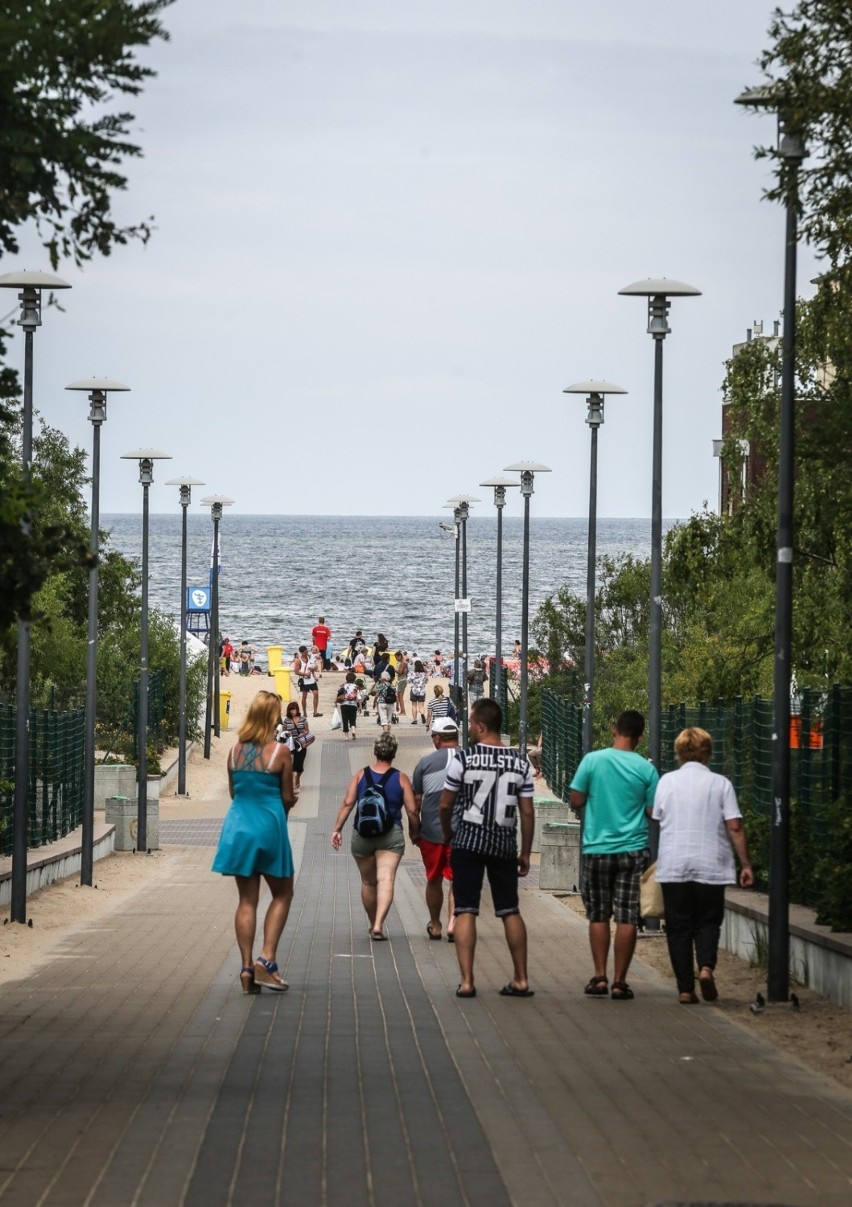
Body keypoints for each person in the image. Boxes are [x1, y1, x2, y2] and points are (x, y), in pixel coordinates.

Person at [439, 697, 535, 999]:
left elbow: (445, 803)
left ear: (480, 726)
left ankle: (467, 982)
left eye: (471, 722)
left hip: (467, 840)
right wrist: (525, 851)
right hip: (503, 843)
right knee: (510, 909)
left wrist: (448, 832)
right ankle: (521, 979)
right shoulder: (520, 763)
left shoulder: (463, 760)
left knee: (466, 908)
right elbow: (528, 812)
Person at [653, 727, 754, 1004]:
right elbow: (734, 826)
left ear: (680, 753)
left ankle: (686, 989)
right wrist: (745, 864)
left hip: (675, 865)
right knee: (708, 921)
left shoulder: (667, 782)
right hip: (712, 865)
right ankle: (706, 968)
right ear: (707, 753)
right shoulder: (721, 784)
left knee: (678, 927)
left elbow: (658, 816)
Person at [569, 710, 659, 1001]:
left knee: (597, 914)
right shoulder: (646, 769)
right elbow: (652, 811)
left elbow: (576, 798)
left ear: (613, 729)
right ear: (640, 737)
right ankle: (620, 981)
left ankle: (599, 977)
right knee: (627, 916)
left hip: (597, 848)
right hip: (633, 851)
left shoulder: (593, 761)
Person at [211, 690, 296, 993]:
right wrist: (287, 807)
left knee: (247, 900)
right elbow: (287, 796)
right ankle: (267, 960)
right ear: (273, 717)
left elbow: (235, 793)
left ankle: (247, 969)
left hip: (238, 827)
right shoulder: (280, 752)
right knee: (283, 892)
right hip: (269, 824)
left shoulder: (234, 751)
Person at [331, 733, 419, 940]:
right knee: (386, 879)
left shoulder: (361, 775)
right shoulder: (401, 778)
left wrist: (337, 829)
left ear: (375, 751)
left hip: (362, 835)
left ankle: (373, 924)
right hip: (391, 835)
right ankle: (379, 923)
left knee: (368, 883)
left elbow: (347, 803)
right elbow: (412, 811)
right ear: (394, 753)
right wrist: (415, 832)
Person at [412, 716, 458, 942]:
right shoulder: (470, 760)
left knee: (433, 879)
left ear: (437, 739)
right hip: (463, 833)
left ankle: (437, 924)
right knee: (458, 880)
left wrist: (414, 830)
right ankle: (453, 923)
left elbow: (415, 803)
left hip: (432, 831)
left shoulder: (424, 764)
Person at [277, 701, 311, 792]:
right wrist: (288, 734)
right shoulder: (286, 720)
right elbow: (284, 732)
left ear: (297, 710)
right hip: (290, 744)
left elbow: (307, 730)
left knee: (299, 765)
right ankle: (291, 784)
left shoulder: (303, 719)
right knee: (291, 765)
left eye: (294, 709)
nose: (292, 711)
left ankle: (297, 777)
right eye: (291, 710)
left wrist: (303, 734)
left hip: (301, 744)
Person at [294, 644, 322, 718]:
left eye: (307, 651)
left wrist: (314, 668)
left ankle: (315, 712)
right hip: (304, 680)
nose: (307, 653)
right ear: (302, 652)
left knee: (316, 694)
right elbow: (296, 672)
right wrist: (305, 674)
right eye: (305, 652)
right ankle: (304, 712)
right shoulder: (298, 661)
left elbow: (316, 660)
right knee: (304, 696)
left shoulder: (309, 656)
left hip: (311, 679)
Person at [336, 671, 361, 740]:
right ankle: (353, 731)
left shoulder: (343, 685)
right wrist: (360, 707)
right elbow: (359, 697)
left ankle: (346, 737)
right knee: (353, 720)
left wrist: (336, 703)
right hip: (353, 705)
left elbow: (338, 694)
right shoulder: (356, 687)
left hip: (344, 705)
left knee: (345, 720)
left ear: (346, 678)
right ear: (354, 679)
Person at [408, 659, 428, 724]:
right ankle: (422, 714)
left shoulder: (412, 673)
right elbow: (426, 681)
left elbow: (408, 681)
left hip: (414, 690)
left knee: (414, 705)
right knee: (421, 706)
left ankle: (415, 720)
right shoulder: (424, 674)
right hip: (422, 691)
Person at [394, 651, 409, 718]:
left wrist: (394, 669)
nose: (396, 659)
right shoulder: (404, 663)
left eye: (396, 657)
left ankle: (403, 711)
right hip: (403, 680)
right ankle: (402, 711)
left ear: (399, 656)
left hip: (402, 680)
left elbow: (400, 672)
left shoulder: (402, 663)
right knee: (400, 697)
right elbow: (406, 671)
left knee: (400, 697)